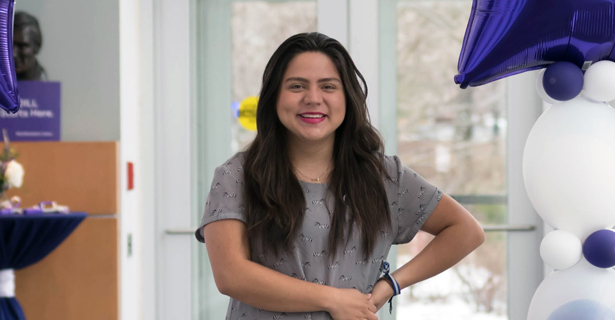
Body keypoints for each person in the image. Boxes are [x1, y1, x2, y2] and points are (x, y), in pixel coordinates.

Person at [195, 32, 485, 320]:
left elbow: (466, 231)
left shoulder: (384, 177)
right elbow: (231, 275)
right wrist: (333, 300)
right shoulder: (238, 176)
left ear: (347, 97)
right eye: (297, 86)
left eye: (328, 86)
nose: (313, 98)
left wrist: (390, 285)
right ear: (274, 97)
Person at [13, 11, 47, 81]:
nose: (13, 54)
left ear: (37, 46)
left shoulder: (42, 81)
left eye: (21, 46)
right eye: (8, 46)